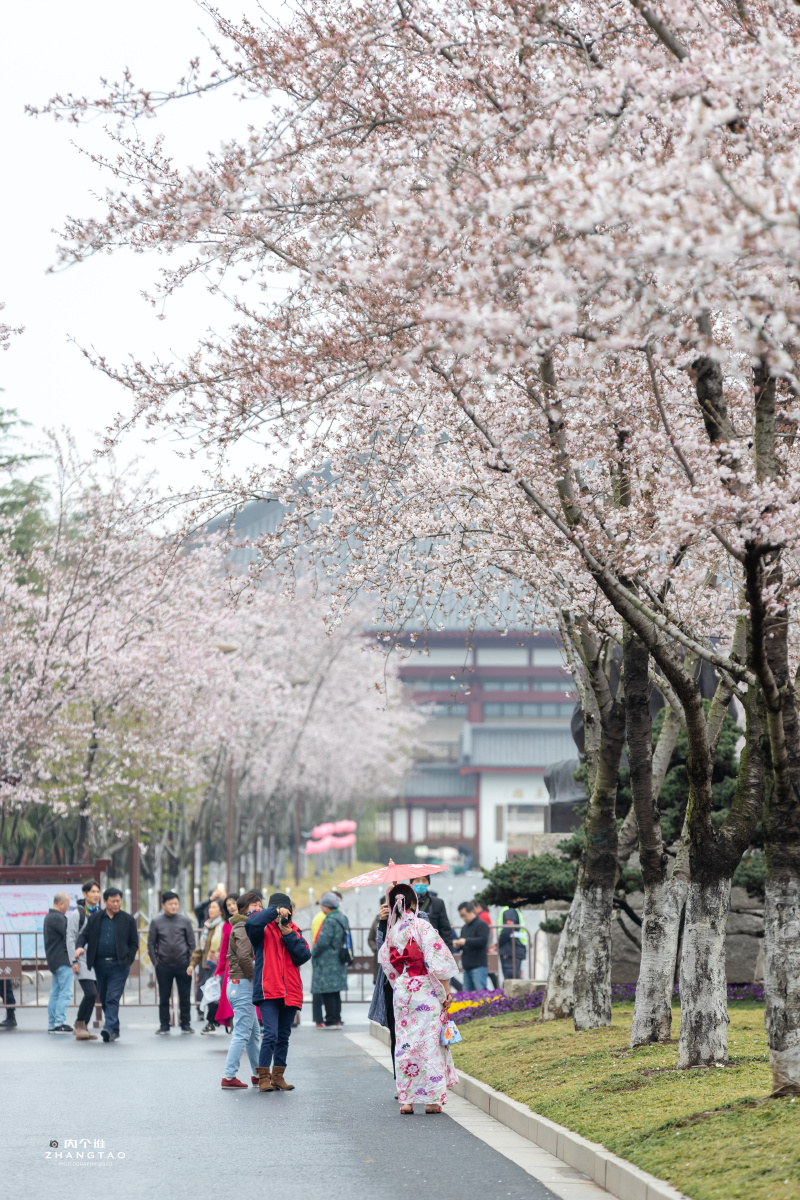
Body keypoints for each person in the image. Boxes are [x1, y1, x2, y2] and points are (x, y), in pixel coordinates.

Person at [378, 882, 459, 1114]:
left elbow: (387, 963)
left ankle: (407, 1100)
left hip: (404, 989)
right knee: (430, 1043)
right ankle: (433, 1101)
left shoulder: (392, 931)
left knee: (406, 1043)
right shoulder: (423, 927)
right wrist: (445, 992)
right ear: (414, 902)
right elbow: (439, 964)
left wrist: (401, 983)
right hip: (425, 987)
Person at [246, 891, 311, 1092]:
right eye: (277, 911)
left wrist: (288, 934)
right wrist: (273, 912)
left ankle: (278, 1077)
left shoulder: (294, 930)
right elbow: (251, 924)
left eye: (285, 911)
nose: (281, 916)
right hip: (268, 990)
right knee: (271, 1034)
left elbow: (304, 955)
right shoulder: (261, 930)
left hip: (290, 991)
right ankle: (263, 1076)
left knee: (283, 1036)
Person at [74, 887, 139, 1042]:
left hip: (119, 965)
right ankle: (114, 1029)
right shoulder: (95, 918)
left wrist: (128, 960)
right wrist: (80, 946)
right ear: (105, 901)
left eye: (119, 901)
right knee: (103, 997)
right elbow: (84, 935)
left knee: (112, 997)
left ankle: (108, 1028)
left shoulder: (127, 919)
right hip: (100, 965)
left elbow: (134, 943)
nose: (116, 904)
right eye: (113, 901)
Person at [221, 890, 263, 1089]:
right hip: (243, 985)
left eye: (261, 905)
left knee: (253, 1033)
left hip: (240, 984)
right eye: (256, 905)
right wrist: (257, 977)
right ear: (245, 908)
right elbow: (246, 958)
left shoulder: (243, 925)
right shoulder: (244, 927)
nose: (260, 908)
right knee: (241, 1033)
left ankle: (258, 1073)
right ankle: (229, 1076)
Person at [147, 891, 196, 1033]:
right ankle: (164, 1025)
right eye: (170, 904)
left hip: (183, 964)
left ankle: (185, 1024)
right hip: (163, 965)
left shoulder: (185, 921)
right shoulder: (156, 921)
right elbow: (151, 944)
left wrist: (190, 962)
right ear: (163, 905)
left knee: (185, 996)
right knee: (164, 997)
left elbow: (191, 943)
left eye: (176, 904)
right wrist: (155, 962)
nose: (174, 906)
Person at [410, 874, 461, 990]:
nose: (421, 883)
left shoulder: (438, 903)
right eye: (417, 880)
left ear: (428, 883)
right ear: (411, 883)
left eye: (424, 880)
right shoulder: (406, 904)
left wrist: (448, 954)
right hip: (413, 953)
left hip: (434, 953)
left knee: (437, 989)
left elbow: (446, 930)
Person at [66, 879, 102, 1040]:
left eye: (98, 892)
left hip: (96, 961)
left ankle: (84, 1027)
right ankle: (79, 1024)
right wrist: (73, 961)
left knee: (94, 994)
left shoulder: (100, 912)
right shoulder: (77, 913)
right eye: (93, 892)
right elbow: (70, 938)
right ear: (85, 894)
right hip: (81, 959)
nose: (96, 895)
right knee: (90, 992)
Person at [188, 896, 229, 1033]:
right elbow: (201, 948)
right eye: (210, 907)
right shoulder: (207, 926)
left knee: (214, 994)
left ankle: (212, 1022)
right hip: (207, 966)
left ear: (221, 911)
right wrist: (192, 964)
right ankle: (213, 1021)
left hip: (220, 966)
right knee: (211, 993)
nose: (210, 910)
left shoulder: (224, 926)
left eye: (214, 907)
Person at [310, 891, 349, 1028]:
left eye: (322, 905)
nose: (321, 908)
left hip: (327, 960)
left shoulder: (329, 920)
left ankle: (331, 1019)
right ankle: (337, 1018)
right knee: (336, 991)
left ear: (327, 906)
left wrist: (313, 953)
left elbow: (322, 941)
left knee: (327, 991)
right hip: (339, 958)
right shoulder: (342, 918)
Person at [44, 893, 74, 1034]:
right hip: (63, 960)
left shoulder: (49, 917)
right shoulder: (57, 918)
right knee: (65, 993)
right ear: (61, 903)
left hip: (54, 960)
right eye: (67, 905)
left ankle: (52, 1023)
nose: (67, 909)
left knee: (55, 992)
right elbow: (70, 934)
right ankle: (60, 1022)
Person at [212, 894, 239, 1032]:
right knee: (231, 1002)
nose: (232, 907)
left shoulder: (250, 920)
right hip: (232, 968)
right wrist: (219, 970)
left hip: (248, 966)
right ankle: (236, 1034)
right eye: (228, 905)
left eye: (234, 903)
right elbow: (224, 950)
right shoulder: (227, 925)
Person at [454, 900, 491, 992]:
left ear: (471, 911)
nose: (463, 918)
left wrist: (466, 941)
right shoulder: (465, 927)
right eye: (461, 916)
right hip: (467, 966)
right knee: (466, 997)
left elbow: (483, 941)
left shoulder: (482, 924)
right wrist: (458, 945)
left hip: (478, 966)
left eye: (464, 915)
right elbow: (463, 943)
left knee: (480, 995)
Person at [498, 906, 528, 980]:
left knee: (511, 978)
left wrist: (498, 944)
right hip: (513, 948)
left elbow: (508, 929)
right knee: (512, 977)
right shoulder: (512, 910)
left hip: (511, 949)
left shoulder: (510, 911)